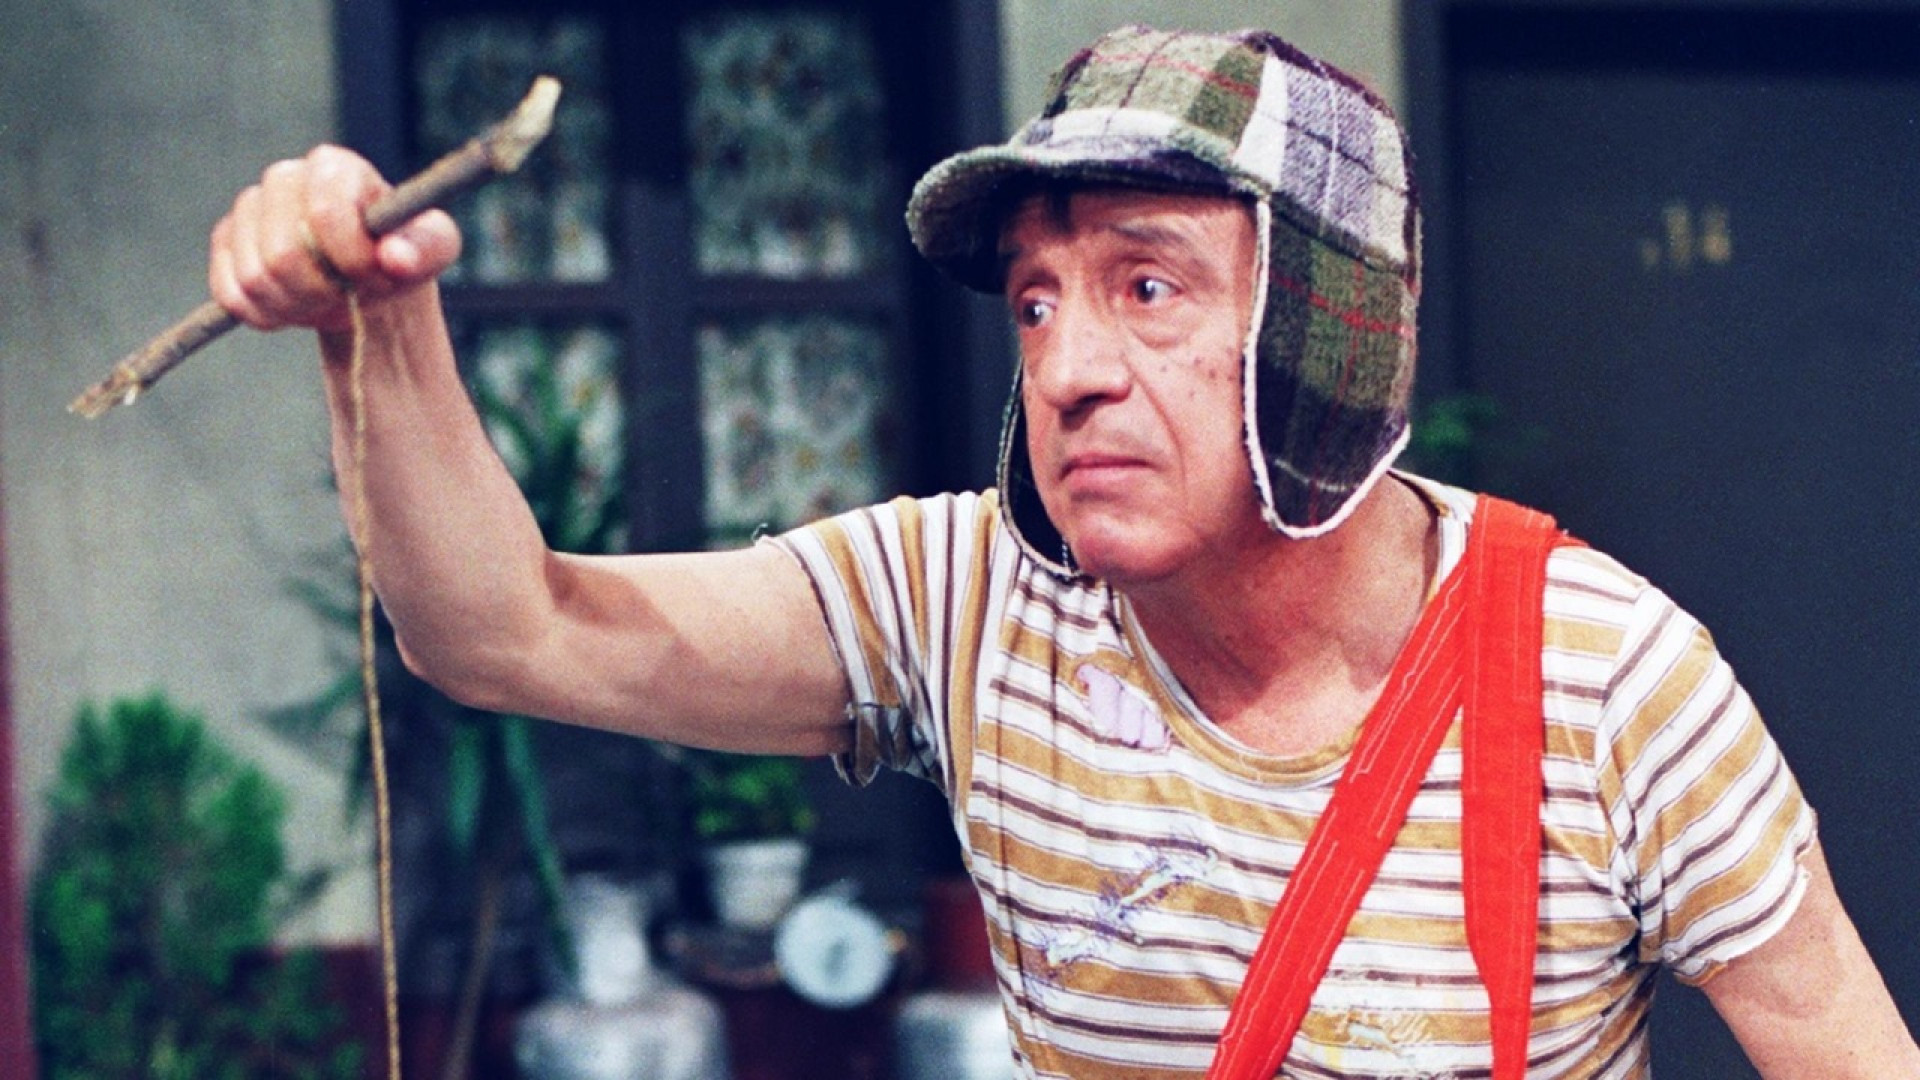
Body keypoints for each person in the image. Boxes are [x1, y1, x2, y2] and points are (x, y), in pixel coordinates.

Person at [206, 24, 1916, 1080]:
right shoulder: (963, 603)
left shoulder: (1609, 684)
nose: (1069, 364)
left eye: (1146, 284)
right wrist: (380, 325)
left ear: (1321, 335)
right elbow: (506, 630)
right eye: (1036, 299)